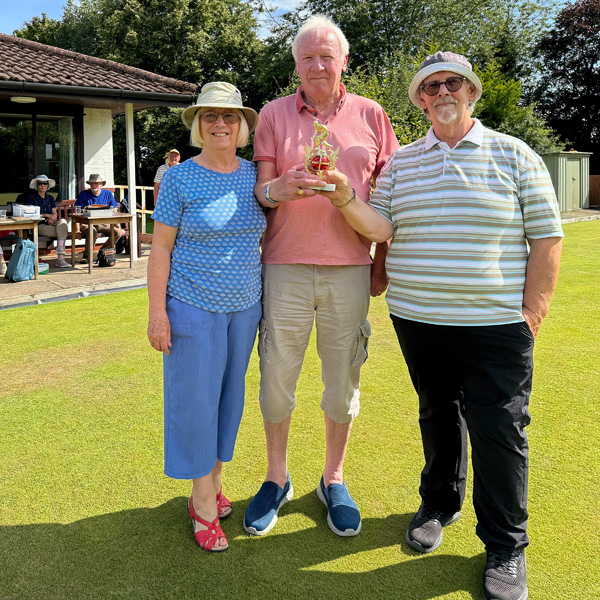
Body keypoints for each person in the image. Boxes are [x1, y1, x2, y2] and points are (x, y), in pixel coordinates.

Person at [323, 51, 563, 600]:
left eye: (453, 82)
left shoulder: (514, 154)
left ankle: (505, 544)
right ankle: (439, 504)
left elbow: (547, 239)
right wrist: (343, 197)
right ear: (421, 101)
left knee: (499, 429)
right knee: (437, 412)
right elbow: (379, 225)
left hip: (496, 323)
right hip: (419, 318)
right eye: (431, 87)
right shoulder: (403, 163)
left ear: (472, 92)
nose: (442, 92)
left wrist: (532, 314)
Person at [243, 14, 399, 538]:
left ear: (343, 61)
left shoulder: (372, 115)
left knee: (342, 383)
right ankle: (276, 476)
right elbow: (260, 195)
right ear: (296, 65)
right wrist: (279, 188)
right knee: (276, 381)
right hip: (283, 266)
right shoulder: (272, 115)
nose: (316, 65)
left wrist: (379, 264)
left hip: (351, 268)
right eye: (306, 57)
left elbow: (388, 201)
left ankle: (333, 478)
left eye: (325, 56)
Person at [147, 82, 264, 552]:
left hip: (245, 308)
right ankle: (200, 500)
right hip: (191, 306)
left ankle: (214, 481)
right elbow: (160, 248)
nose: (221, 123)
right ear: (198, 125)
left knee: (229, 401)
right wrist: (158, 314)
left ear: (242, 127)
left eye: (230, 117)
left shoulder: (254, 174)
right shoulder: (179, 178)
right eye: (211, 116)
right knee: (195, 403)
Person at [74, 174, 125, 264]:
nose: (94, 186)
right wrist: (77, 230)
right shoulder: (83, 194)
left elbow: (114, 210)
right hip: (87, 223)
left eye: (96, 183)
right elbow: (76, 213)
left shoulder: (108, 193)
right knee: (92, 231)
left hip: (103, 224)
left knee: (117, 232)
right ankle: (86, 256)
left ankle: (102, 251)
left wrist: (118, 225)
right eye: (92, 184)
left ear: (101, 184)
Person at [24, 174, 70, 268]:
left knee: (63, 222)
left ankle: (60, 248)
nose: (42, 185)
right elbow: (30, 214)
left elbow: (54, 213)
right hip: (38, 225)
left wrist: (52, 218)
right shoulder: (31, 198)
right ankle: (60, 259)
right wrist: (46, 215)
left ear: (47, 186)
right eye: (40, 183)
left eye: (45, 183)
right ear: (37, 186)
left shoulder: (50, 198)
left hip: (52, 223)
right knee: (62, 231)